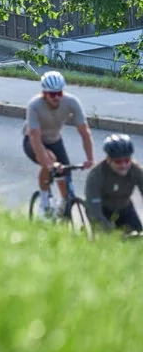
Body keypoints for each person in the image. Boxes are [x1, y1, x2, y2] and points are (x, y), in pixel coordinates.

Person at [24, 71, 94, 216]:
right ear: (44, 93)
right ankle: (44, 203)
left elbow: (84, 132)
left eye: (59, 93)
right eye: (52, 94)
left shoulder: (71, 102)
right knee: (50, 161)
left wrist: (90, 159)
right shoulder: (35, 106)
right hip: (33, 141)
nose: (56, 97)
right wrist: (49, 164)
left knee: (65, 173)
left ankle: (63, 205)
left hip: (55, 140)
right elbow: (35, 138)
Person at [86, 134, 143, 233]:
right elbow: (93, 207)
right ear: (108, 159)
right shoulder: (96, 174)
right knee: (108, 240)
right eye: (118, 162)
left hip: (124, 209)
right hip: (102, 211)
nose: (124, 165)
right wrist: (107, 228)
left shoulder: (136, 170)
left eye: (127, 160)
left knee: (138, 239)